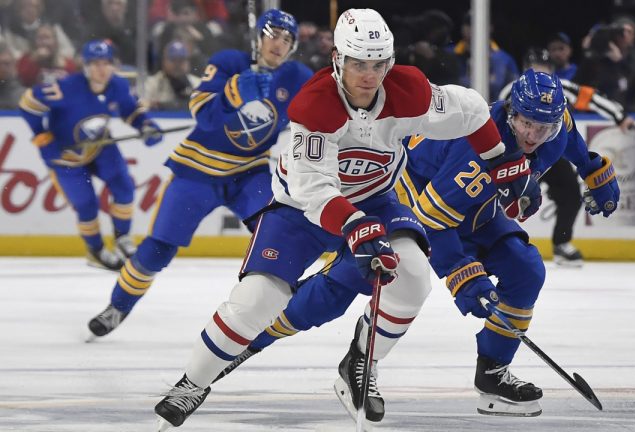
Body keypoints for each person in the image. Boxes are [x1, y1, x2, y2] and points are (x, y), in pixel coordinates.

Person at [153, 8, 538, 429]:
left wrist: (501, 159)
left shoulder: (409, 91)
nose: (368, 75)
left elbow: (470, 110)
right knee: (259, 299)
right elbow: (313, 189)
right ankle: (192, 383)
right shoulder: (315, 105)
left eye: (377, 64)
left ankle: (361, 361)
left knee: (412, 279)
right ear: (338, 59)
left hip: (375, 201)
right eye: (358, 63)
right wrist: (354, 226)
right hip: (300, 212)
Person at [212, 69, 620, 418]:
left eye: (543, 127)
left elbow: (569, 142)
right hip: (417, 203)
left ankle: (492, 375)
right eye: (526, 123)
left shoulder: (555, 126)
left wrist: (593, 169)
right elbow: (435, 222)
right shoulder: (477, 153)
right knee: (348, 285)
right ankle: (262, 334)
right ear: (511, 113)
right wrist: (464, 277)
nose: (533, 135)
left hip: (475, 207)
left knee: (525, 269)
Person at [85, 9, 313, 339]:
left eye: (287, 39)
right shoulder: (229, 61)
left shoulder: (298, 77)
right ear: (259, 36)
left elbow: (322, 114)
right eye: (273, 34)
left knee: (277, 232)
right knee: (158, 250)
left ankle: (279, 305)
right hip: (196, 171)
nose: (279, 43)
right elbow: (202, 115)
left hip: (248, 173)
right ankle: (117, 307)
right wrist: (234, 94)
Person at [18, 40, 162, 270]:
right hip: (65, 158)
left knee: (124, 186)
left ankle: (122, 238)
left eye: (106, 63)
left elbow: (130, 110)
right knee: (87, 205)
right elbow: (28, 103)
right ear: (85, 66)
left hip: (100, 147)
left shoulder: (118, 85)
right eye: (95, 64)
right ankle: (95, 251)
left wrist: (146, 126)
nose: (101, 69)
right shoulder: (65, 87)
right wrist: (43, 137)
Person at [499, 48, 632, 266]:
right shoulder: (512, 92)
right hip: (513, 155)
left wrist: (618, 116)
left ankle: (562, 242)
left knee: (570, 194)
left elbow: (589, 97)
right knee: (501, 202)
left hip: (550, 150)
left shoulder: (559, 92)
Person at [144, 40, 201, 110]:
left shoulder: (198, 84)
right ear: (164, 61)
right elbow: (143, 107)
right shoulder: (151, 84)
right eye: (173, 60)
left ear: (188, 63)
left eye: (181, 60)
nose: (177, 65)